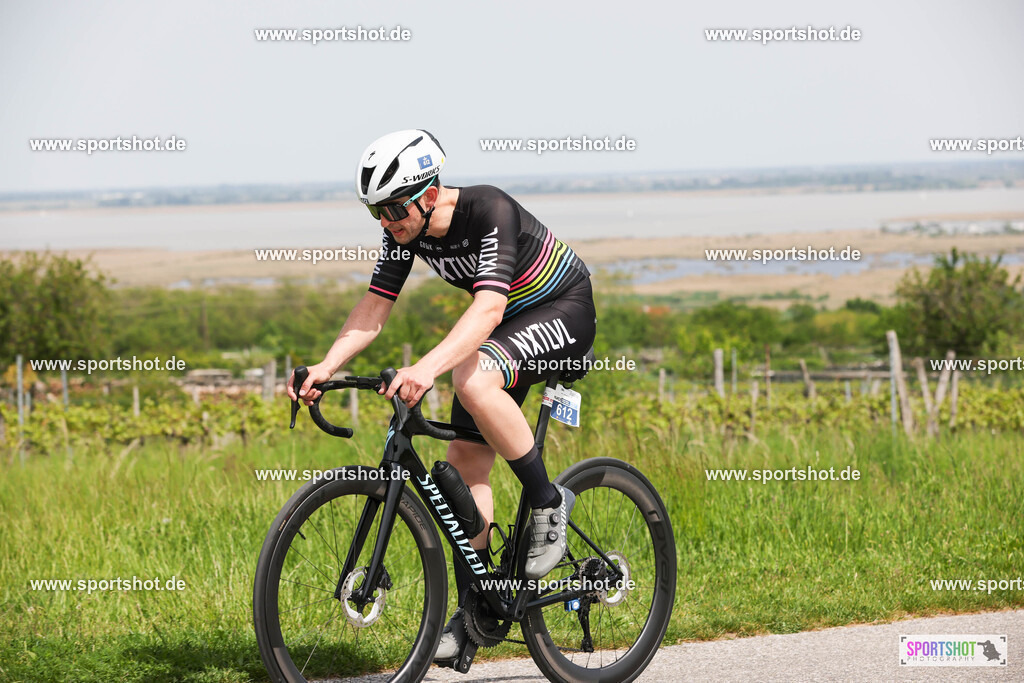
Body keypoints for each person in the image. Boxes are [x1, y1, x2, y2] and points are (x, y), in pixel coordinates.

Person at [288, 129, 596, 660]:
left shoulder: (488, 208)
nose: (387, 222)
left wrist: (427, 367)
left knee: (470, 378)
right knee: (465, 463)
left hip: (561, 309)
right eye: (376, 213)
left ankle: (549, 505)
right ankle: (480, 608)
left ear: (429, 193)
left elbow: (489, 311)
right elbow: (375, 306)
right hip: (502, 329)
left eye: (393, 209)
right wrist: (325, 366)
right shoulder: (407, 230)